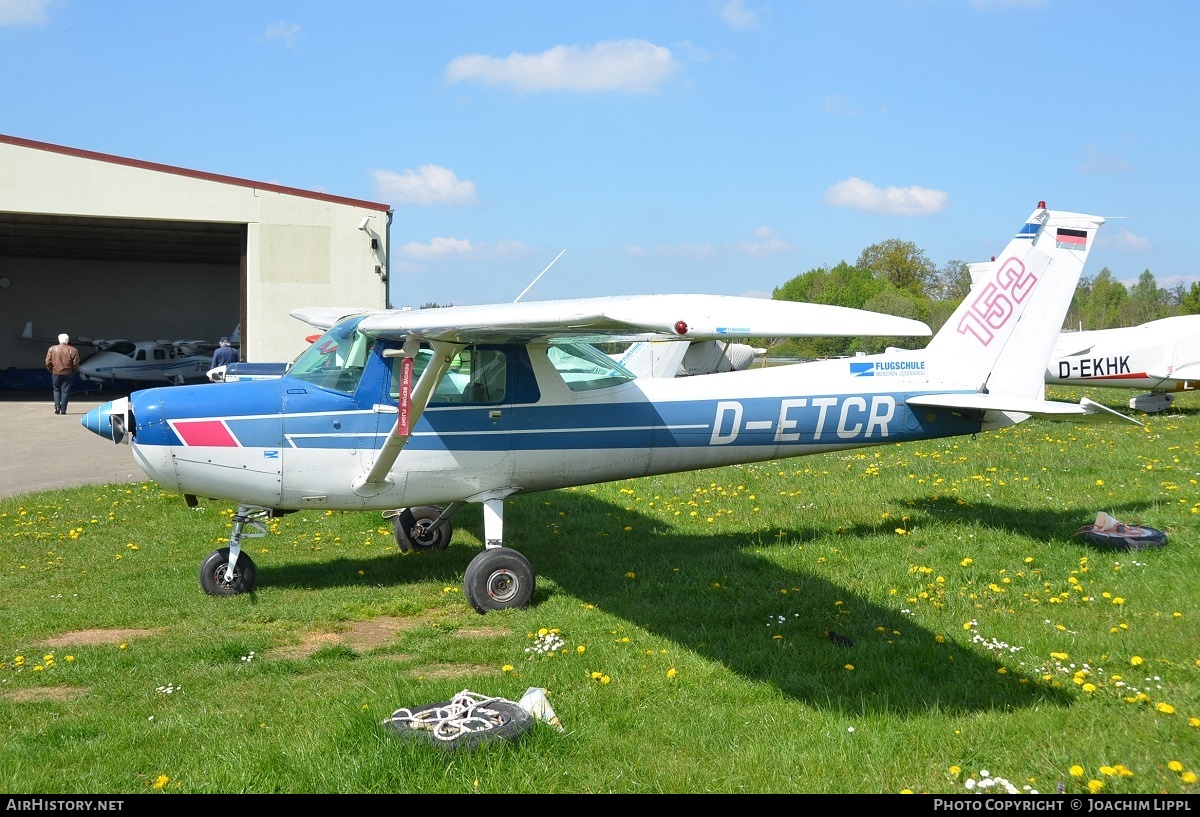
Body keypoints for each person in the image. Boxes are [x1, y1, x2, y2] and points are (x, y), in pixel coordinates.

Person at [46, 333, 80, 415]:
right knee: (65, 391)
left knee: (56, 389)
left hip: (56, 372)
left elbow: (48, 361)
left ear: (59, 340)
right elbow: (76, 363)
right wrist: (73, 371)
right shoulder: (73, 350)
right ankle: (64, 409)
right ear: (67, 340)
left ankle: (57, 407)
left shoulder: (52, 349)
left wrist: (51, 369)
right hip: (68, 372)